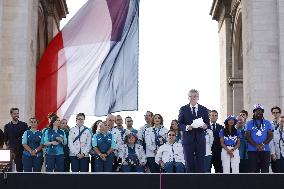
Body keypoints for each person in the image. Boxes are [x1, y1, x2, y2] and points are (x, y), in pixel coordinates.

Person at [178, 89, 210, 173]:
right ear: (188, 98)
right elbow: (179, 124)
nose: (193, 98)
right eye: (190, 96)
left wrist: (205, 126)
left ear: (198, 97)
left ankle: (200, 184)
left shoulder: (203, 109)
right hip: (188, 140)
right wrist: (186, 127)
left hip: (200, 139)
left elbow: (208, 123)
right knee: (189, 164)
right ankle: (190, 184)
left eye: (195, 96)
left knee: (201, 164)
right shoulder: (183, 109)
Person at [245, 104, 273, 173]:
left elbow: (270, 136)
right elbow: (247, 136)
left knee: (265, 170)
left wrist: (263, 144)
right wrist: (256, 145)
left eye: (260, 111)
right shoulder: (249, 123)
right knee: (253, 170)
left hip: (265, 150)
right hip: (252, 150)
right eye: (256, 111)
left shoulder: (267, 123)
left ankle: (264, 184)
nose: (258, 112)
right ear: (254, 112)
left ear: (262, 112)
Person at [4, 107, 28, 172]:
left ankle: (20, 182)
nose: (16, 115)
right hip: (10, 151)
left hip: (21, 150)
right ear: (11, 114)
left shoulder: (24, 125)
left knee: (20, 169)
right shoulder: (7, 126)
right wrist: (9, 146)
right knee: (8, 169)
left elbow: (26, 138)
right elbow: (5, 139)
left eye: (17, 113)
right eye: (15, 113)